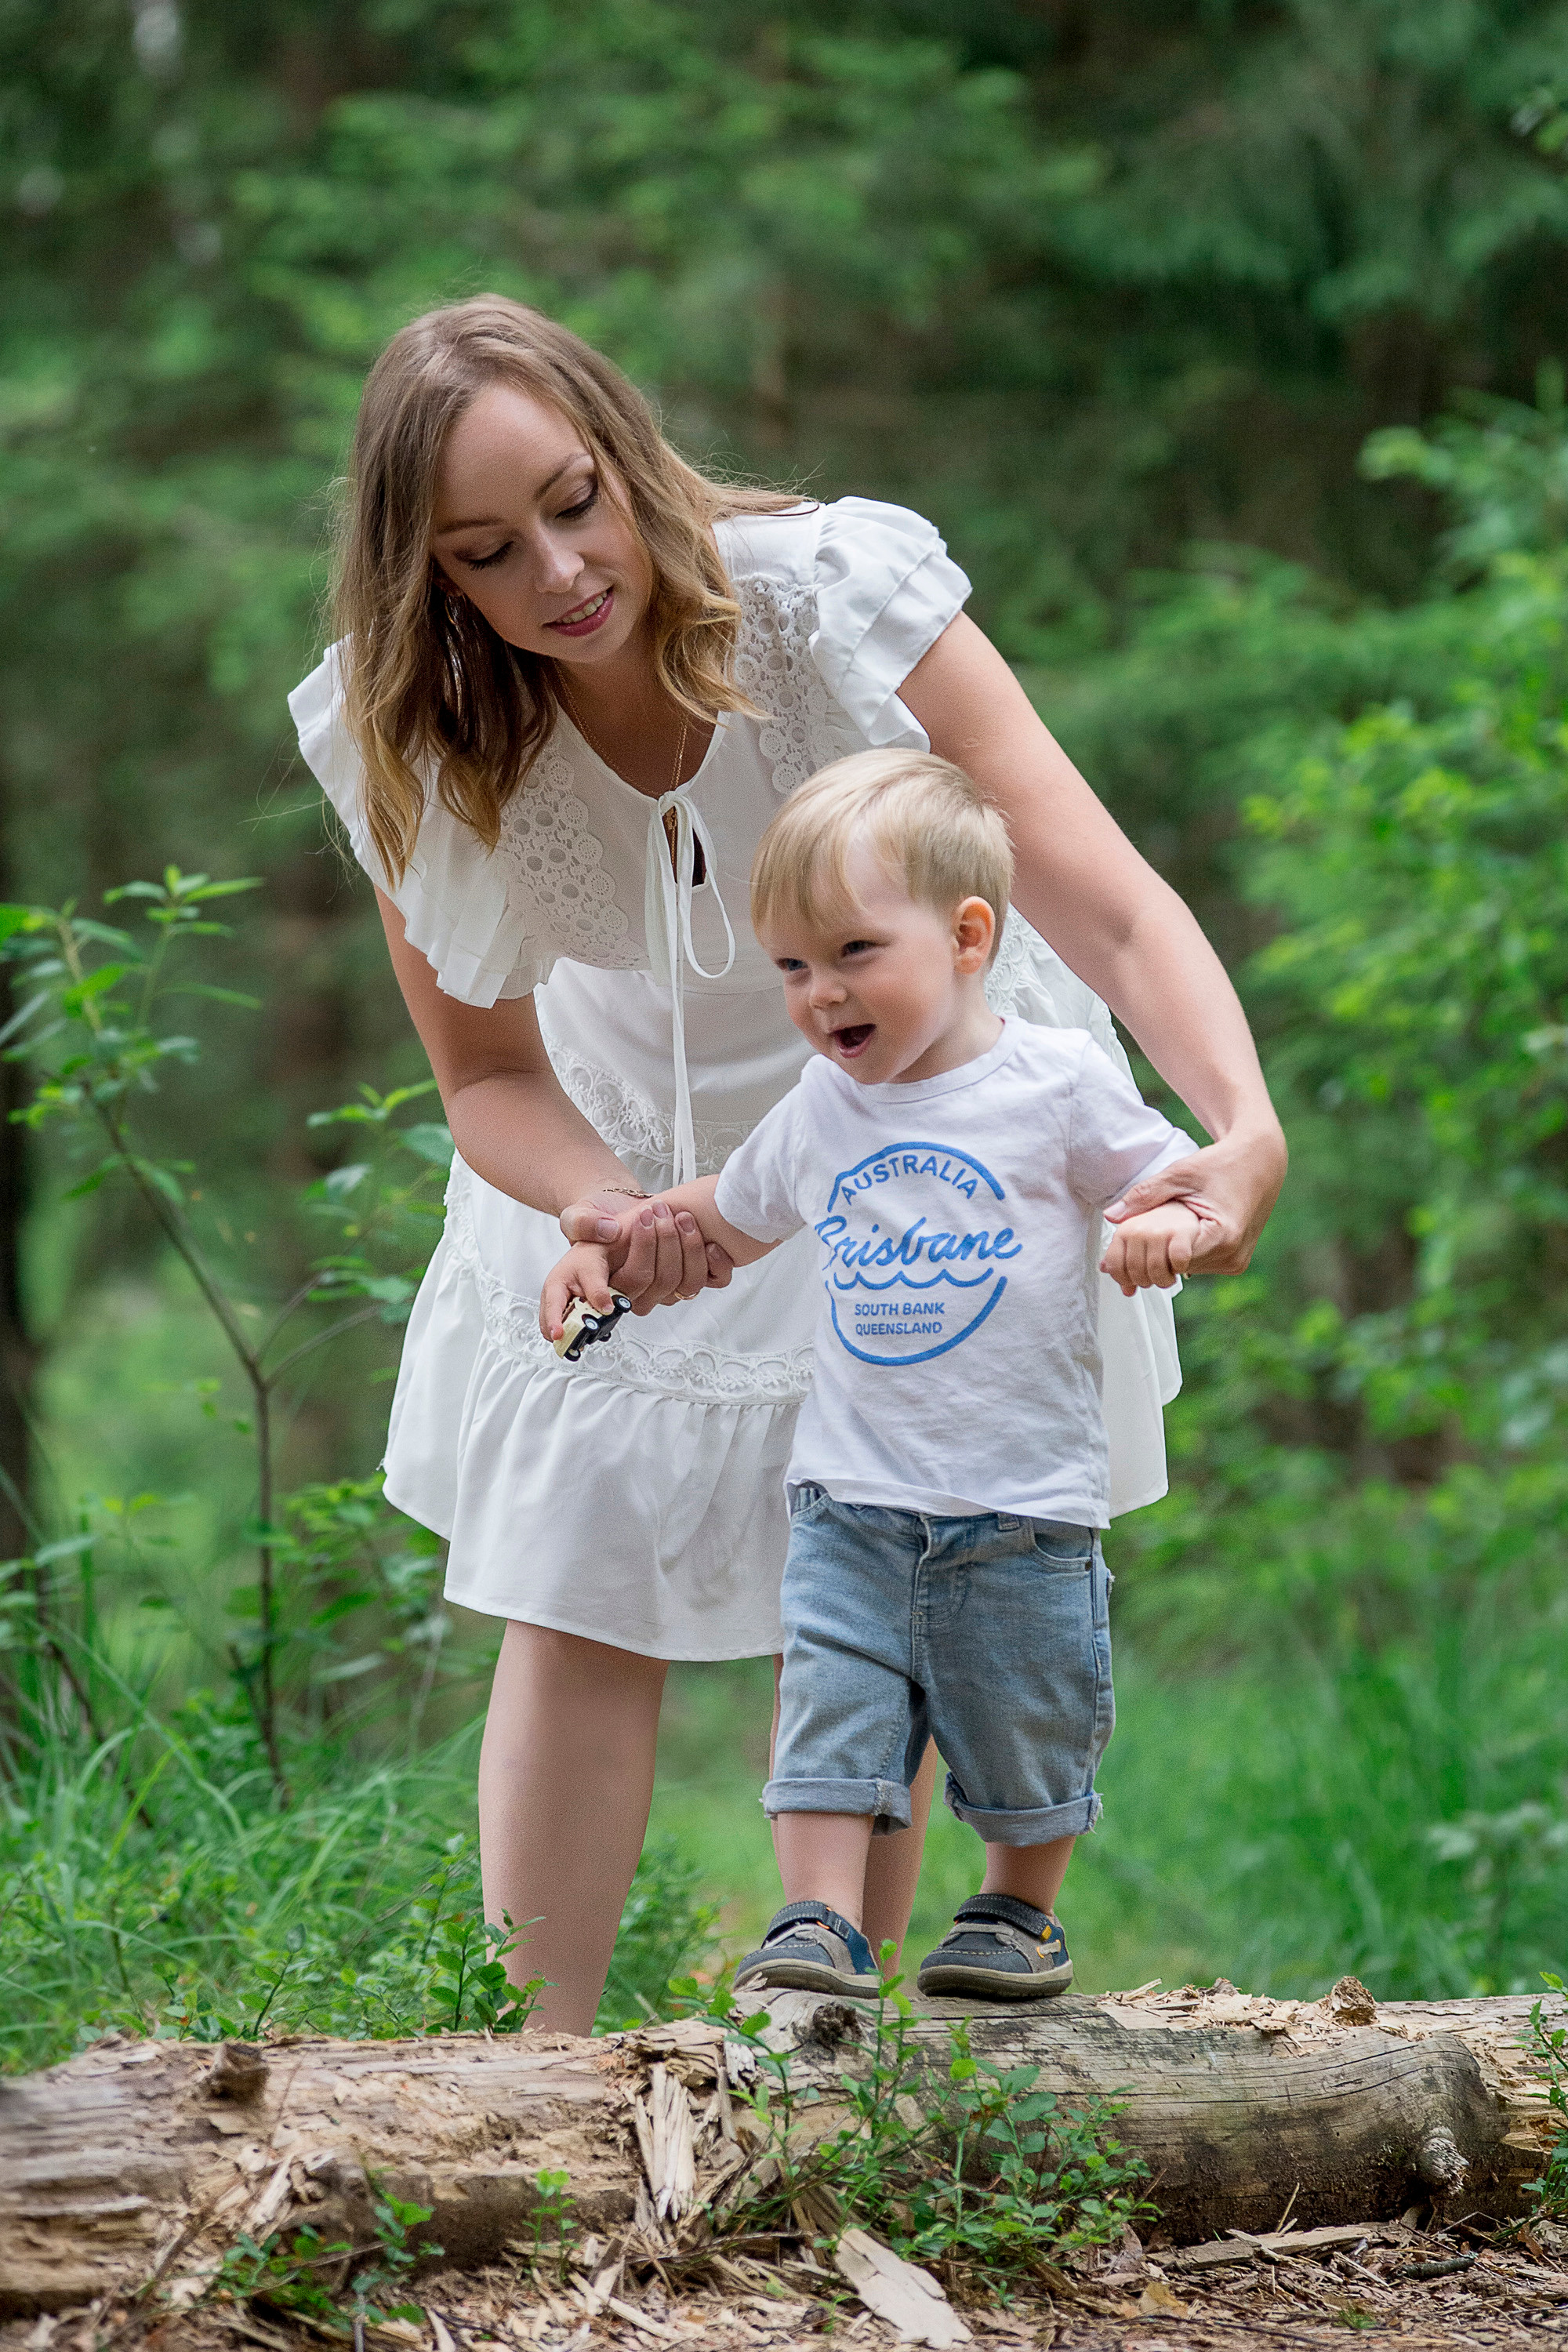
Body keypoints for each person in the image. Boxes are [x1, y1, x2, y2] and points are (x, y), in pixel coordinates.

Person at [288, 294, 1285, 2034]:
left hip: (919, 1125)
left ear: (627, 456)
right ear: (428, 578)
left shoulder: (833, 598)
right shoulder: (410, 736)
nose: (560, 570)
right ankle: (536, 2087)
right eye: (487, 551)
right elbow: (490, 1074)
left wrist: (1238, 1121)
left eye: (576, 499)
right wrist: (605, 1202)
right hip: (616, 1144)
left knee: (882, 1565)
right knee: (573, 1579)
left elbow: (1101, 895)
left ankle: (818, 2059)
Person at [541, 750, 1202, 2000]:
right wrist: (607, 1246)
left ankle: (1016, 1912)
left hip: (1021, 1501)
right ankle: (818, 1923)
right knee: (830, 1716)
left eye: (851, 954)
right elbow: (723, 1221)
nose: (818, 995)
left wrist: (1173, 1227)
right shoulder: (822, 1108)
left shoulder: (1053, 1083)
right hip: (851, 1498)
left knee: (1031, 1720)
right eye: (792, 966)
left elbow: (1167, 1181)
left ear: (966, 938)